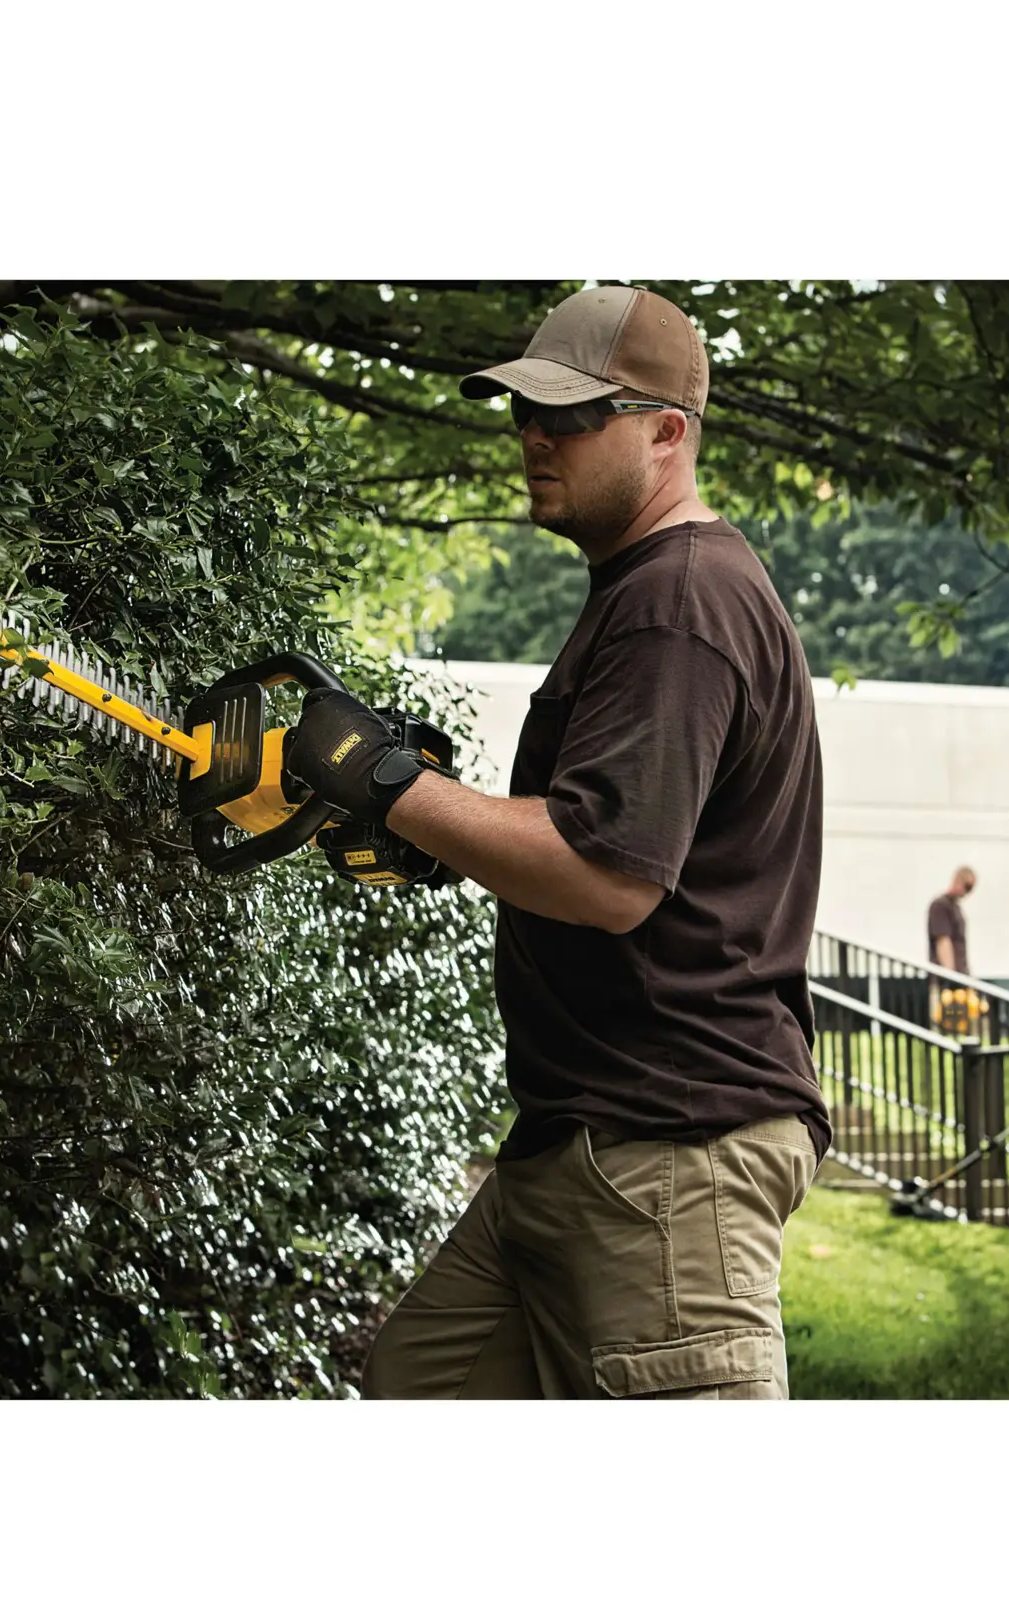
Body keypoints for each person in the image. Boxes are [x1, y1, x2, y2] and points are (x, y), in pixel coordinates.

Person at [284, 285, 830, 1398]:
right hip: (579, 1143)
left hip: (669, 1158)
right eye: (524, 411)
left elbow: (608, 875)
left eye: (573, 415)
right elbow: (596, 843)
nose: (536, 434)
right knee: (416, 1387)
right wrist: (451, 828)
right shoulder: (646, 590)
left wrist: (387, 782)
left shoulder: (679, 602)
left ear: (667, 432)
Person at [927, 866, 976, 974]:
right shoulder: (940, 906)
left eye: (970, 889)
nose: (967, 892)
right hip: (947, 979)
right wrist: (950, 974)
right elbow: (943, 941)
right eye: (967, 887)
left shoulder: (955, 908)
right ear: (957, 880)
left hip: (960, 976)